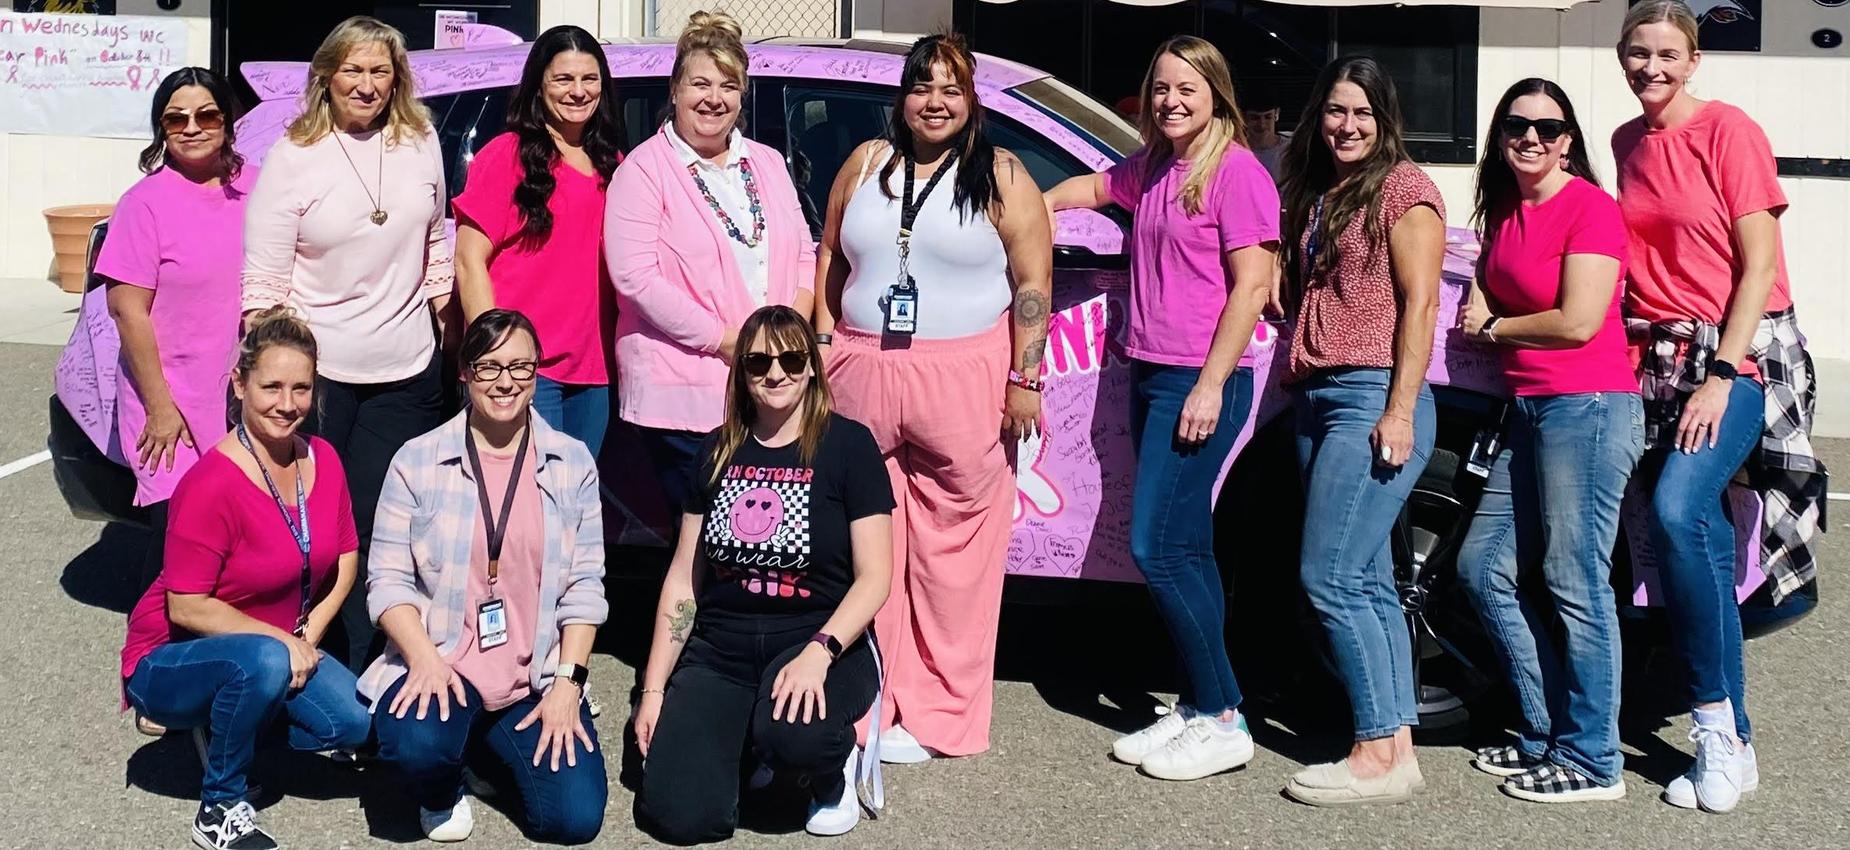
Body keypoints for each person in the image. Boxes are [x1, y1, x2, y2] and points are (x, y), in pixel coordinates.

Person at [810, 33, 1051, 762]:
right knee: (865, 544)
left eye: (951, 88)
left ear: (972, 100)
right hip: (862, 371)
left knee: (956, 558)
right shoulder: (866, 164)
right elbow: (828, 256)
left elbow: (1033, 286)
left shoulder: (1003, 176)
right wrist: (824, 345)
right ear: (902, 99)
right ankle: (867, 699)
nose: (935, 102)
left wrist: (1024, 380)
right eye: (922, 87)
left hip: (964, 378)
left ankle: (942, 713)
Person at [1043, 36, 1277, 781]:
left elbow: (1250, 285)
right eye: (1161, 89)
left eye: (1187, 88)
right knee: (1189, 547)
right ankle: (1203, 705)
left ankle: (1223, 713)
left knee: (1156, 547)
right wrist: (1028, 210)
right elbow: (1087, 189)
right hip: (1149, 374)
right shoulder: (1153, 166)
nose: (1172, 100)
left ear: (1217, 92)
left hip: (1199, 381)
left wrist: (1210, 384)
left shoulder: (1236, 173)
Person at [1612, 0, 1823, 814]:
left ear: (1693, 59)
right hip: (1660, 355)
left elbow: (1759, 257)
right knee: (1690, 531)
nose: (1651, 69)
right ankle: (1731, 735)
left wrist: (1722, 372)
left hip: (1744, 353)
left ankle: (1714, 732)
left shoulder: (1729, 129)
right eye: (1638, 54)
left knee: (1675, 511)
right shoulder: (1628, 142)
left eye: (1667, 54)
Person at [243, 16, 454, 673]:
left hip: (407, 369)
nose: (366, 84)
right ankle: (306, 660)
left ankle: (374, 667)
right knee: (321, 527)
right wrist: (275, 382)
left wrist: (450, 329)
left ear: (398, 79)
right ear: (327, 77)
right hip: (323, 376)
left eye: (380, 71)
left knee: (385, 524)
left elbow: (436, 243)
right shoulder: (293, 156)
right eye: (353, 70)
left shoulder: (420, 142)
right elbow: (264, 287)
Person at [634, 306, 893, 843]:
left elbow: (875, 577)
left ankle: (832, 771)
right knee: (676, 816)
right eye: (758, 362)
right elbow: (684, 579)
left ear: (811, 367)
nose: (776, 373)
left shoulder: (848, 446)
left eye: (792, 358)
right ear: (742, 374)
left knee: (796, 736)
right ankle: (747, 747)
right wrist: (653, 689)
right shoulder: (716, 449)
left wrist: (821, 650)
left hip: (818, 641)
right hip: (722, 649)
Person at [1454, 78, 1643, 803]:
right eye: (1516, 126)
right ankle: (1544, 731)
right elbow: (1491, 278)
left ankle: (1595, 759)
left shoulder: (1590, 209)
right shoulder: (1506, 208)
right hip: (1530, 410)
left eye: (1547, 127)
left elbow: (1578, 320)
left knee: (1575, 582)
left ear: (1568, 140)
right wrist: (1482, 294)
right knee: (1481, 568)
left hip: (1587, 409)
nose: (1531, 139)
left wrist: (1495, 327)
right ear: (1501, 137)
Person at [120, 307, 370, 850]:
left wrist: (311, 631)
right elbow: (185, 606)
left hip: (274, 649)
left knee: (351, 723)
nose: (288, 403)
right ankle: (220, 805)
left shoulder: (322, 457)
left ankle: (234, 722)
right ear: (239, 383)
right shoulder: (211, 483)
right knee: (260, 661)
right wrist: (282, 642)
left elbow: (347, 555)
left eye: (301, 388)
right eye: (272, 386)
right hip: (171, 657)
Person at [362, 309, 609, 844]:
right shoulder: (418, 461)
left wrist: (569, 684)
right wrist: (424, 658)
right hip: (444, 663)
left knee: (573, 820)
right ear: (465, 373)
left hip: (531, 676)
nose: (505, 381)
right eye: (489, 366)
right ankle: (443, 781)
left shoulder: (572, 463)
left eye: (520, 366)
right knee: (416, 745)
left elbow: (586, 587)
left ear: (537, 372)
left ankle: (482, 750)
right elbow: (385, 581)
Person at [1275, 56, 1444, 806]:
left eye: (1362, 115)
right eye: (1336, 112)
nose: (1347, 127)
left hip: (1371, 396)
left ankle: (1373, 751)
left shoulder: (1405, 190)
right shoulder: (1327, 191)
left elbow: (1421, 305)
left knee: (1330, 576)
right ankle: (1395, 745)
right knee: (1370, 580)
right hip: (1319, 396)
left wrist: (1400, 409)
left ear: (1386, 120)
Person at [606, 11, 817, 514]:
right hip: (687, 398)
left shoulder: (765, 162)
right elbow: (636, 278)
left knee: (757, 540)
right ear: (675, 89)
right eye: (700, 83)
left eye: (729, 86)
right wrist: (731, 343)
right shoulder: (644, 171)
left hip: (769, 386)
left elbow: (805, 252)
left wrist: (790, 333)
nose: (714, 99)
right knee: (709, 544)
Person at [98, 67, 254, 601]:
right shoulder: (145, 202)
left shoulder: (255, 188)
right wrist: (161, 408)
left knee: (232, 540)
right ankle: (146, 664)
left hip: (238, 398)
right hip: (167, 401)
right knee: (178, 540)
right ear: (161, 129)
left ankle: (215, 656)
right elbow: (127, 310)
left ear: (227, 120)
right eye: (176, 118)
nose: (192, 127)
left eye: (206, 114)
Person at [453, 25, 624, 459]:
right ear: (539, 86)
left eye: (590, 79)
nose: (578, 92)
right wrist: (495, 356)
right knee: (524, 501)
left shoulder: (615, 165)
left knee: (574, 499)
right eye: (563, 79)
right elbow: (470, 261)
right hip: (524, 368)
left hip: (594, 371)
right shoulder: (506, 155)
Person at [1241, 92, 1292, 184]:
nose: (1262, 124)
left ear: (1277, 114)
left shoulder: (1292, 151)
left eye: (1268, 117)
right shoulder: (1236, 152)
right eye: (1255, 118)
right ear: (1243, 118)